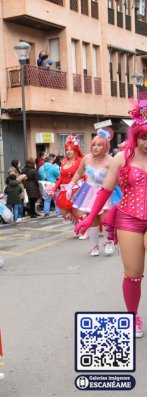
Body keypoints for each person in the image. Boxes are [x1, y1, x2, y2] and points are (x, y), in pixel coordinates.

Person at [75, 102, 147, 337]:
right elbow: (105, 191)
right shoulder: (121, 158)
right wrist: (89, 218)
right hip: (129, 219)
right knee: (133, 274)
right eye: (144, 137)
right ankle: (133, 317)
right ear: (136, 135)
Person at [68, 128, 117, 256]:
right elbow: (79, 172)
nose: (95, 148)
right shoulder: (86, 158)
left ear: (105, 146)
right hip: (89, 191)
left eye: (99, 145)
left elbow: (116, 179)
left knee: (106, 219)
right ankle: (94, 246)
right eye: (94, 145)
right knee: (92, 219)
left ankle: (108, 243)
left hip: (106, 192)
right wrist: (71, 184)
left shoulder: (111, 161)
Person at [54, 135, 84, 225]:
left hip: (77, 188)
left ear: (75, 150)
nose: (68, 152)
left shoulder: (80, 161)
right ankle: (78, 225)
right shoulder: (64, 162)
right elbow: (61, 177)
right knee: (64, 211)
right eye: (67, 149)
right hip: (64, 190)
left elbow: (84, 175)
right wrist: (54, 188)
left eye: (71, 149)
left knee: (77, 210)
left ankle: (84, 229)